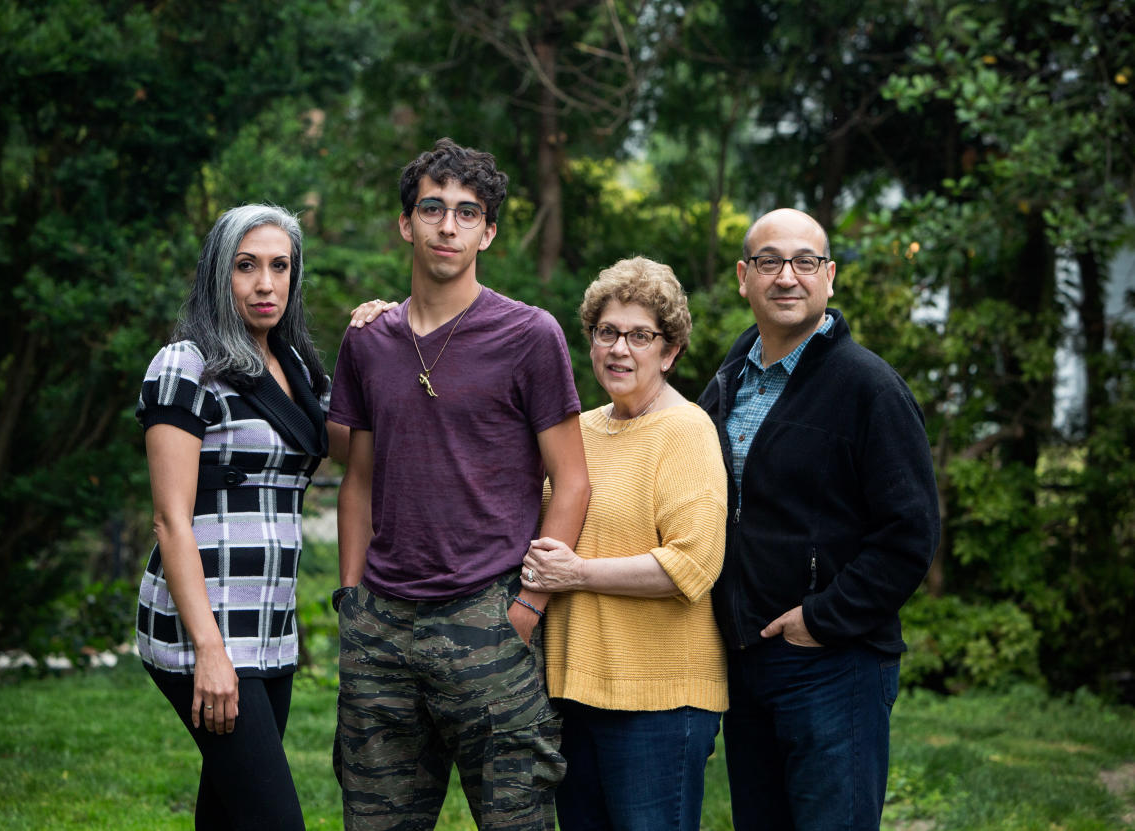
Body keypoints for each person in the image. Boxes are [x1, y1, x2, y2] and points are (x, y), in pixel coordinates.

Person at [327, 138, 591, 830]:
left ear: (488, 232)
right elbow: (357, 480)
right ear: (406, 223)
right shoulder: (368, 340)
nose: (449, 225)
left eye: (467, 212)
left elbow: (572, 481)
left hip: (488, 617)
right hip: (381, 629)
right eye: (433, 208)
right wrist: (353, 602)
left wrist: (527, 606)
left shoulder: (531, 335)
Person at [697, 208, 940, 831]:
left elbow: (909, 534)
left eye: (805, 262)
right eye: (769, 262)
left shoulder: (869, 388)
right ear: (743, 278)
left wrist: (822, 619)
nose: (787, 277)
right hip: (748, 661)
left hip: (834, 662)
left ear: (829, 277)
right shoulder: (728, 383)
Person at [135, 204, 335, 830]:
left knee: (227, 813)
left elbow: (362, 450)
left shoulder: (298, 368)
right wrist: (210, 651)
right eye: (246, 267)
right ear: (218, 274)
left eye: (280, 266)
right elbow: (171, 519)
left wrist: (383, 335)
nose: (265, 284)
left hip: (272, 628)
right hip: (208, 629)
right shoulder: (185, 365)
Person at [521, 257, 727, 830]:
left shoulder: (686, 430)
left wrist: (578, 574)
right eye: (607, 332)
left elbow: (693, 564)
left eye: (641, 336)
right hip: (571, 688)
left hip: (658, 701)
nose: (620, 349)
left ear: (670, 350)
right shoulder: (578, 429)